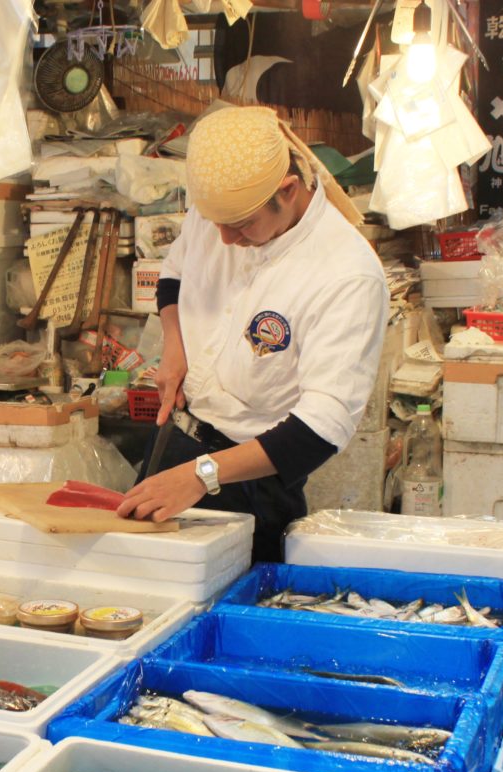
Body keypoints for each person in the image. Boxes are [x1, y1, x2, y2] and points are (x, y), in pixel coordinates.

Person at [117, 105, 390, 563]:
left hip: (251, 482)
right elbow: (175, 275)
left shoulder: (347, 274)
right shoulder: (224, 208)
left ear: (287, 190)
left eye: (241, 226)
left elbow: (321, 429)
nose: (223, 239)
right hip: (175, 444)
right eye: (214, 223)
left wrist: (201, 475)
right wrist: (175, 348)